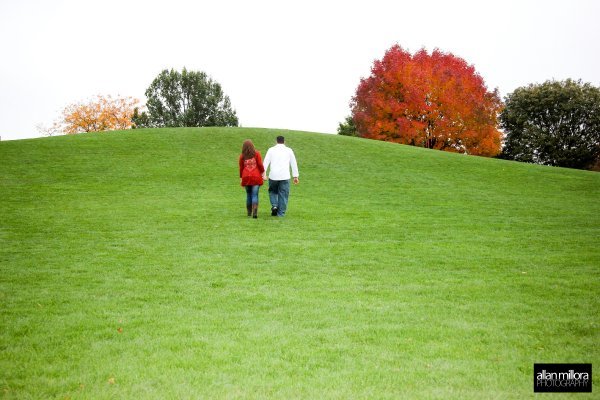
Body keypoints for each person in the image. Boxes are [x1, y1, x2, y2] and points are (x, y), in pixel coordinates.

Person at [262, 136, 299, 217]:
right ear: (284, 141)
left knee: (272, 191)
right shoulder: (289, 150)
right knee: (283, 194)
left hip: (273, 176)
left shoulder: (271, 150)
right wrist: (295, 176)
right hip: (285, 176)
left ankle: (274, 205)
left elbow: (265, 162)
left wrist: (263, 174)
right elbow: (293, 163)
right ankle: (281, 213)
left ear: (276, 141)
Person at [239, 139, 265, 218]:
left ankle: (249, 212)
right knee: (255, 195)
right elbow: (260, 165)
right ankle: (255, 213)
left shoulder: (242, 156)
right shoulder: (257, 154)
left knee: (248, 194)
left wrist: (241, 178)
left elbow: (241, 168)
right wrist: (263, 172)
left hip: (246, 177)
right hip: (256, 177)